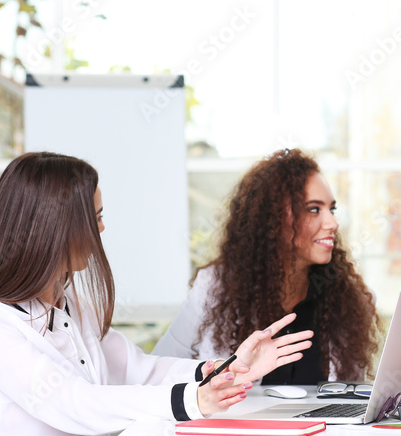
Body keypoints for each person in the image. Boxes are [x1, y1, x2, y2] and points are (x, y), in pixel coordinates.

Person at [0, 152, 309, 436]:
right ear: (53, 224)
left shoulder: (71, 305)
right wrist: (193, 401)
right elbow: (71, 403)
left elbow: (140, 369)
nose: (103, 228)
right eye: (94, 218)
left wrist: (230, 366)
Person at [154, 148, 380, 384]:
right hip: (235, 421)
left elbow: (349, 396)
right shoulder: (215, 287)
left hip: (325, 423)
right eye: (314, 209)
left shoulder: (350, 300)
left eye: (330, 209)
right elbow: (158, 372)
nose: (332, 222)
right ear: (274, 220)